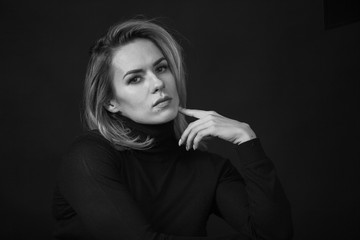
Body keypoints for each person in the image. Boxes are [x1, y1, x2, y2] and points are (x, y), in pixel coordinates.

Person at [52, 18, 293, 240]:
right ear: (110, 102)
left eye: (161, 68)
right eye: (135, 78)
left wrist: (246, 139)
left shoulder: (210, 170)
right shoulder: (89, 156)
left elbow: (275, 235)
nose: (158, 83)